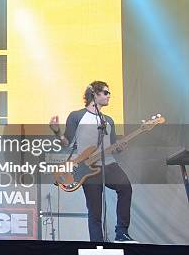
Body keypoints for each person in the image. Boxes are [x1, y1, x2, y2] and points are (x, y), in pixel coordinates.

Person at [49, 81, 134, 242]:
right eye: (106, 92)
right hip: (87, 168)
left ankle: (121, 233)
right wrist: (57, 132)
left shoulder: (108, 120)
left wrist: (120, 147)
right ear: (94, 94)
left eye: (109, 93)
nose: (109, 96)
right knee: (95, 210)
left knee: (126, 188)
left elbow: (113, 146)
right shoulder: (77, 116)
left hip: (109, 164)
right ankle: (97, 244)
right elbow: (67, 143)